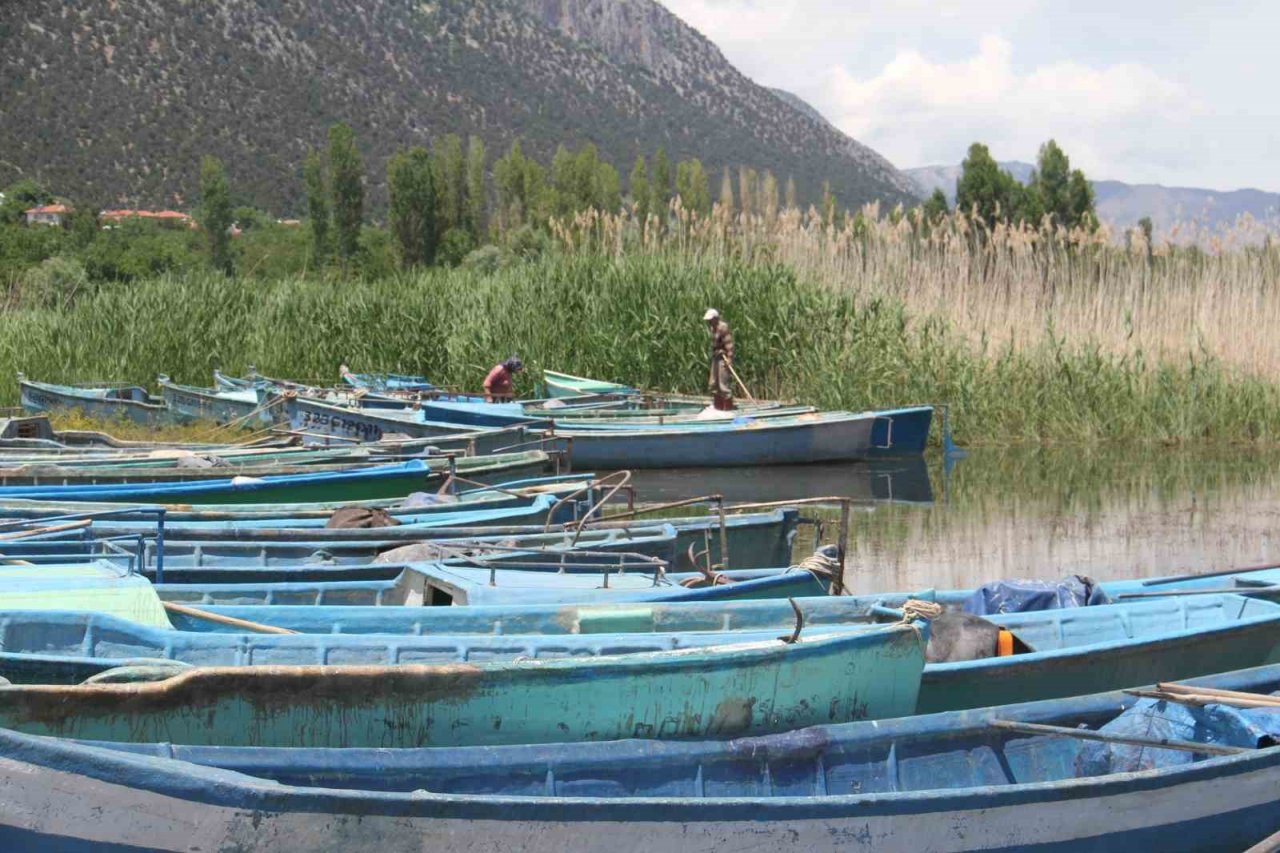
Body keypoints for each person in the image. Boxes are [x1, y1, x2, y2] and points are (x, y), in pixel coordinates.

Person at [704, 308, 735, 411]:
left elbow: (729, 344)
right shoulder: (713, 328)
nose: (709, 322)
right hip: (716, 357)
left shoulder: (723, 327)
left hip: (723, 358)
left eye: (710, 320)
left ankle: (727, 408)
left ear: (715, 318)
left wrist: (729, 358)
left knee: (723, 384)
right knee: (714, 383)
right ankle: (718, 407)